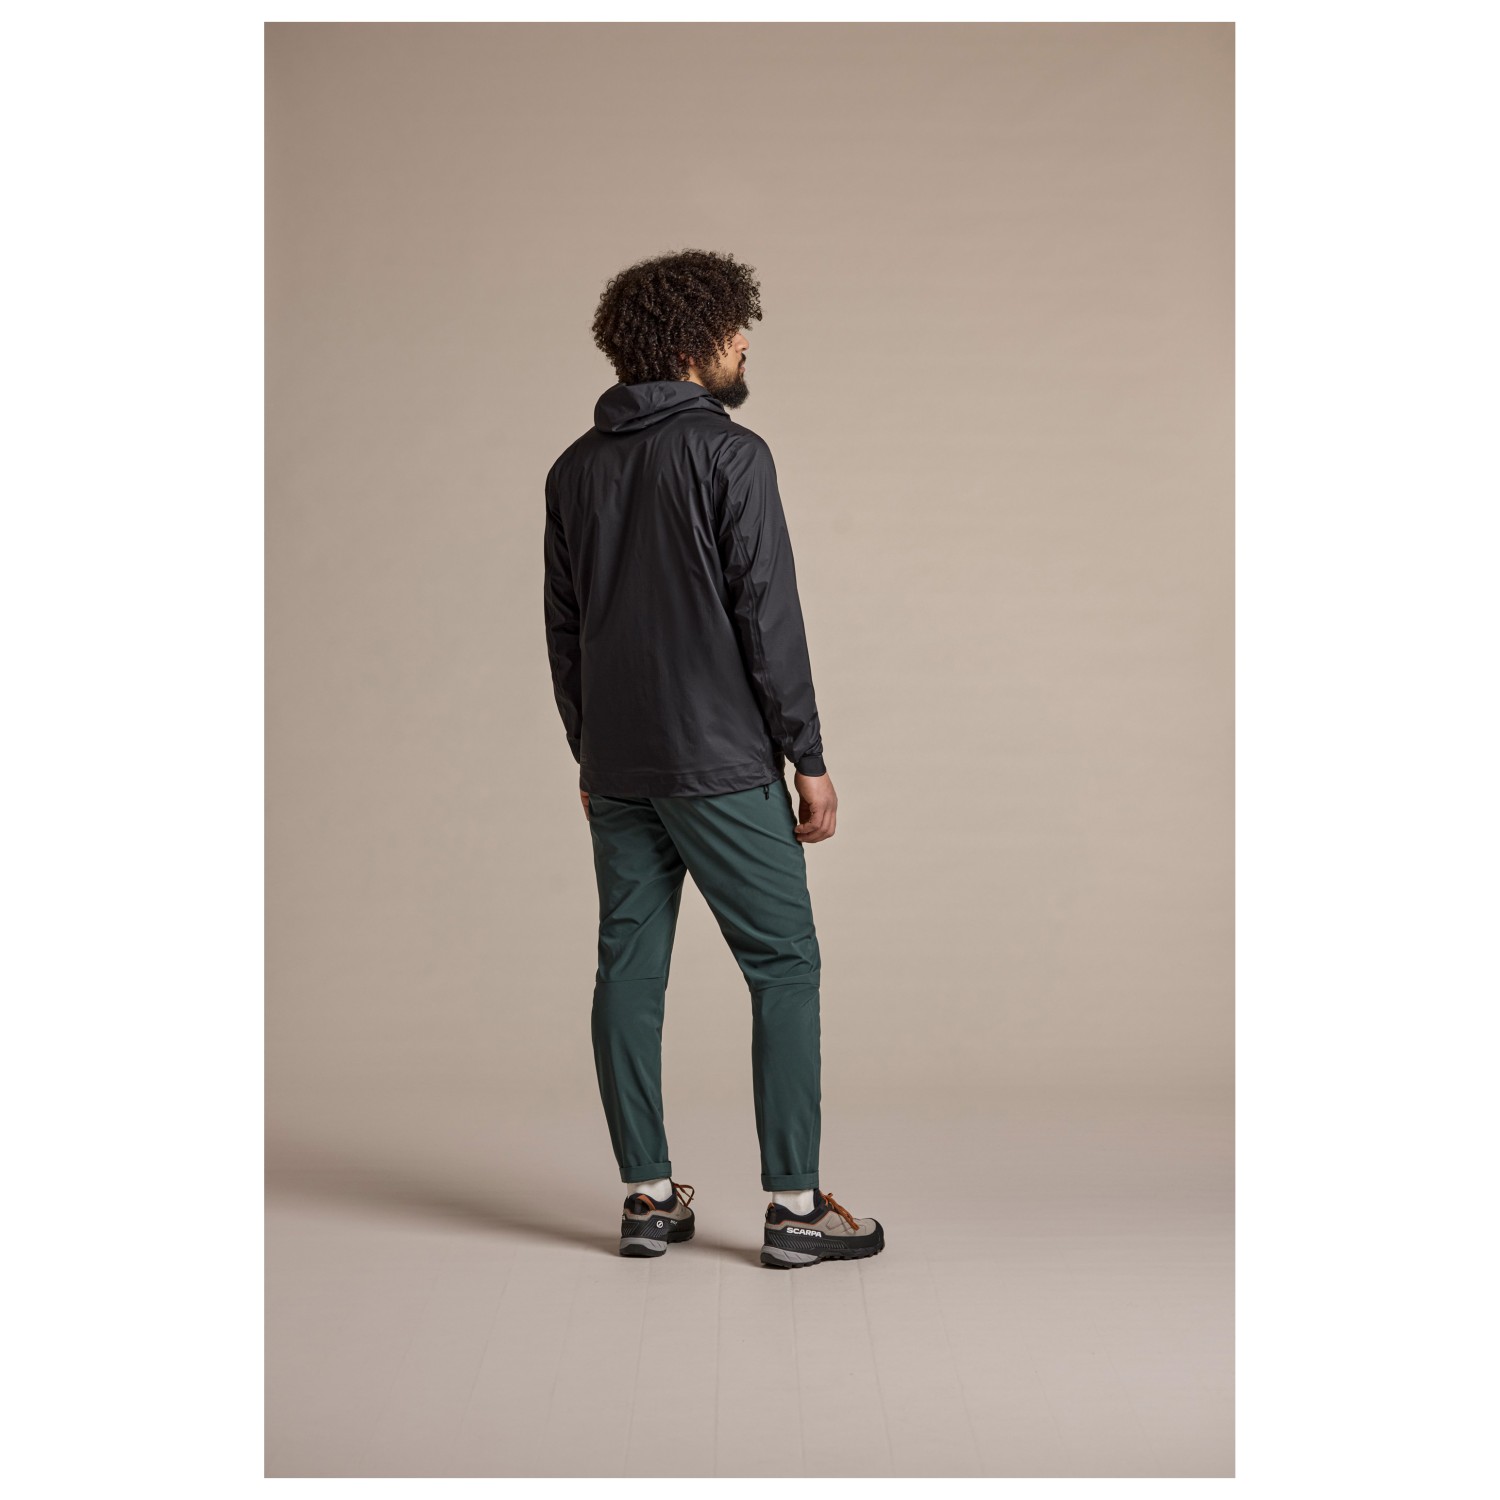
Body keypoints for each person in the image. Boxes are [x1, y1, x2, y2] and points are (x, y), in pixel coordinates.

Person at [542, 248, 885, 1268]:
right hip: (722, 761)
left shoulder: (573, 469)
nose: (744, 346)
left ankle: (648, 1199)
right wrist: (806, 755)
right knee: (784, 964)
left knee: (627, 967)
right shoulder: (732, 454)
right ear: (696, 342)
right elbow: (767, 616)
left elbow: (566, 631)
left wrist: (588, 752)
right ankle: (794, 1207)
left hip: (620, 765)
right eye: (737, 330)